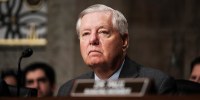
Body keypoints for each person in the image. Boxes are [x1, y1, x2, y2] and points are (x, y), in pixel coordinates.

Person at [58, 4, 176, 96]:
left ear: (124, 41)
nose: (93, 39)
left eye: (103, 32)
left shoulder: (158, 84)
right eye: (86, 34)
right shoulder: (67, 91)